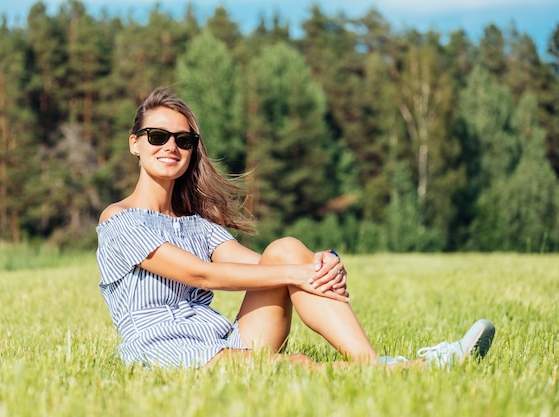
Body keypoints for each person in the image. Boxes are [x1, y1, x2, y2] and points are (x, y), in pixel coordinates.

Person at [96, 87, 495, 369]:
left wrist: (317, 266)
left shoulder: (196, 225)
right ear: (135, 143)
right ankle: (414, 369)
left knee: (286, 247)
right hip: (162, 350)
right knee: (294, 365)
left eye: (183, 140)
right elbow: (202, 274)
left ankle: (374, 365)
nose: (171, 146)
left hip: (217, 340)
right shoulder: (118, 219)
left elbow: (263, 267)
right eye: (157, 136)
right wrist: (297, 273)